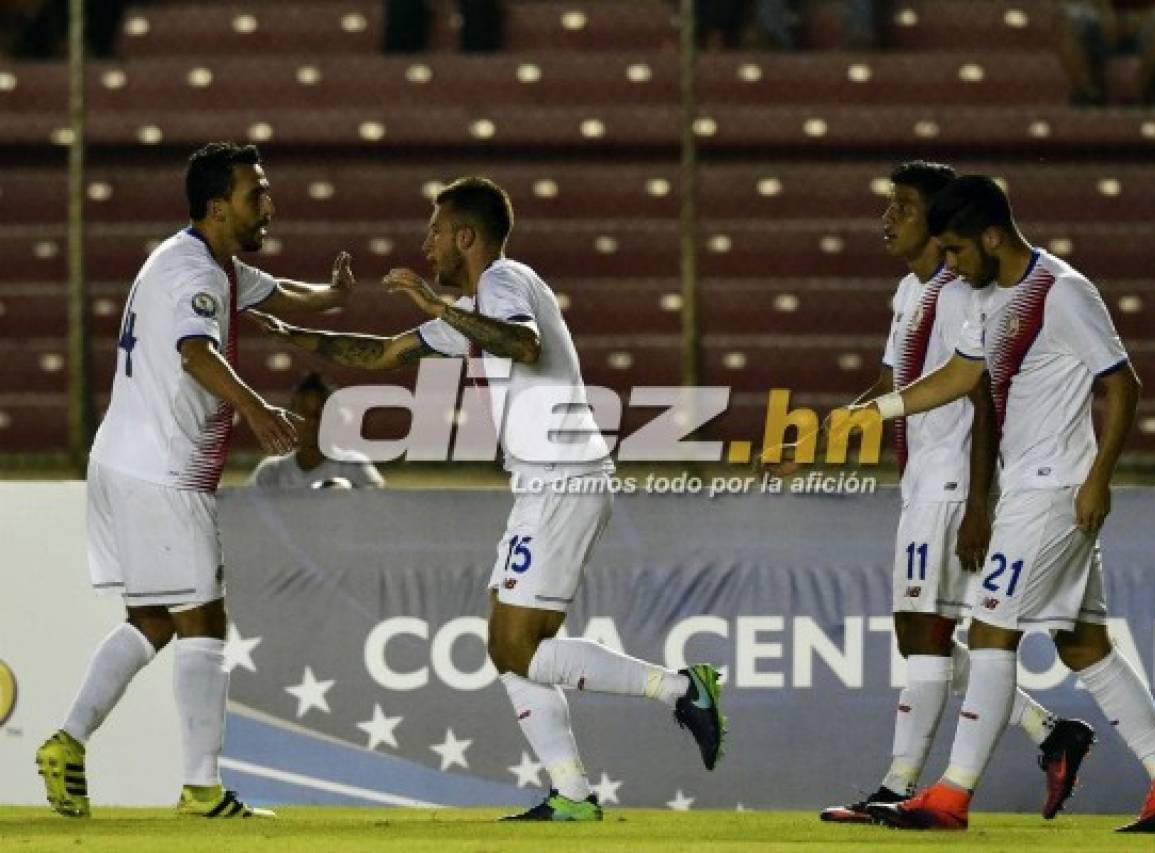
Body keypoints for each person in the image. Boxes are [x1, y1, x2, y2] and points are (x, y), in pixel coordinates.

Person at [250, 176, 727, 821]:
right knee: (510, 653)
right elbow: (385, 354)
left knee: (516, 649)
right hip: (545, 483)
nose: (427, 244)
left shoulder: (503, 281)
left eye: (436, 231)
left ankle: (678, 691)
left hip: (564, 477)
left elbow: (523, 342)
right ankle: (574, 795)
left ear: (466, 236)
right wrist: (285, 332)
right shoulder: (479, 302)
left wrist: (436, 304)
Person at [858, 175, 1155, 833]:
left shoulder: (1062, 292)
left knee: (990, 630)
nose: (951, 266)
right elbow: (963, 375)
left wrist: (1100, 477)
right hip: (1031, 489)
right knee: (1084, 643)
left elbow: (1122, 383)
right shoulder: (989, 297)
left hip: (1054, 492)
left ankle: (952, 794)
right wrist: (880, 409)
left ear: (992, 235)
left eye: (957, 250)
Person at [765, 162, 1094, 823]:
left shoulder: (964, 293)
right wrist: (826, 440)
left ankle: (896, 785)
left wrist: (979, 499)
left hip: (949, 485)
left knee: (923, 633)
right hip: (921, 481)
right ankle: (1048, 729)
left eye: (904, 208)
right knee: (926, 631)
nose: (888, 219)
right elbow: (891, 386)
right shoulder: (912, 295)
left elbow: (980, 395)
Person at [35, 142, 355, 820]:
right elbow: (195, 350)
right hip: (163, 470)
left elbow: (282, 293)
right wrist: (254, 407)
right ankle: (203, 788)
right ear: (217, 206)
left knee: (153, 618)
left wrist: (332, 294)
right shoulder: (195, 276)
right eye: (254, 194)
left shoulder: (209, 263)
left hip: (126, 460)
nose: (267, 203)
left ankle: (67, 740)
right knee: (205, 620)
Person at [248, 372, 384, 490]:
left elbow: (378, 508)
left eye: (321, 413)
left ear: (335, 418)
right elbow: (247, 512)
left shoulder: (354, 466)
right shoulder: (271, 471)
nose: (312, 421)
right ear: (290, 418)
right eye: (304, 412)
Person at [1055, 0, 1155, 106]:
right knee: (1066, 21)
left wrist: (1143, 17)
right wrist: (1106, 13)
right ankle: (1088, 94)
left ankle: (1141, 98)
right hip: (1106, 17)